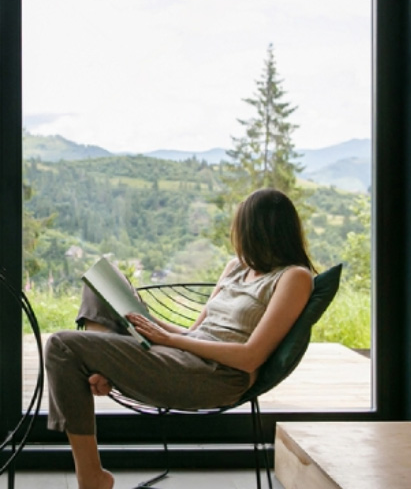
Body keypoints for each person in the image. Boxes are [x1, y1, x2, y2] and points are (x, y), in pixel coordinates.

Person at [44, 188, 315, 489]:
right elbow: (194, 332)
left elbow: (251, 356)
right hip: (183, 354)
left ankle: (92, 477)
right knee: (101, 284)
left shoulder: (293, 277)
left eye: (239, 227)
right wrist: (145, 322)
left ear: (259, 231)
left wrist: (170, 341)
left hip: (216, 375)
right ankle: (102, 369)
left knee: (61, 345)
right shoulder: (236, 267)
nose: (235, 235)